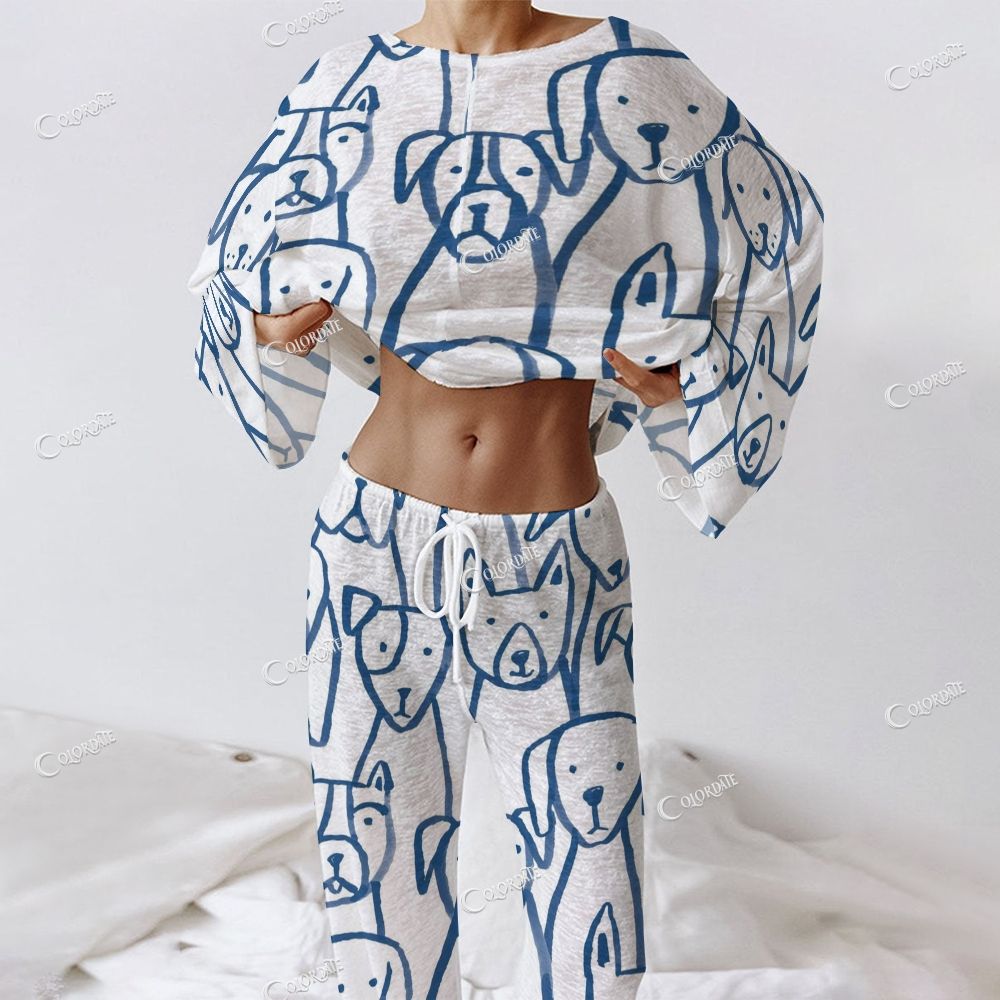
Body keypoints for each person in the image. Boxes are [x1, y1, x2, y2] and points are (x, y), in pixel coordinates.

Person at [187, 3, 824, 997]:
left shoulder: (631, 72)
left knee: (589, 870)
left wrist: (688, 379)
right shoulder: (345, 85)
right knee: (377, 861)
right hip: (369, 539)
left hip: (558, 550)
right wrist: (276, 329)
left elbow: (775, 236)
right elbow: (237, 270)